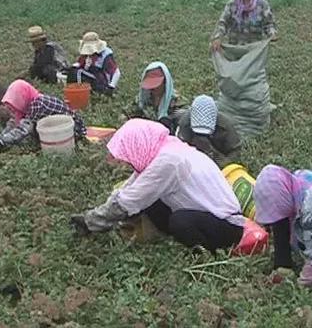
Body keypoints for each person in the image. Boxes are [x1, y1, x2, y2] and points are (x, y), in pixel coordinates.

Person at [69, 119, 246, 253]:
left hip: (227, 225)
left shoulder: (168, 161)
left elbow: (128, 201)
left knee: (180, 221)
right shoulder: (163, 149)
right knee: (149, 200)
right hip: (202, 212)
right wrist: (99, 213)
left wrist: (89, 222)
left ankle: (202, 252)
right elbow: (130, 189)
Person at [0, 79, 85, 150]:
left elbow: (23, 129)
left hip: (72, 130)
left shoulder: (38, 104)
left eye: (12, 107)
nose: (13, 111)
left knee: (25, 138)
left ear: (21, 98)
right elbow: (14, 122)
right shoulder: (28, 103)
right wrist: (2, 135)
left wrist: (4, 140)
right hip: (56, 129)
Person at [210, 0, 278, 50]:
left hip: (255, 50)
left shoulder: (262, 4)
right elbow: (223, 23)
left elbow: (269, 24)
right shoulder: (232, 4)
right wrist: (217, 37)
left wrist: (272, 34)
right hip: (235, 49)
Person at [176, 95, 241, 168]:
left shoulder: (225, 126)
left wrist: (215, 155)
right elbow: (180, 149)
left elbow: (235, 151)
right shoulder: (185, 123)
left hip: (218, 156)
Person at [128, 61, 186, 135]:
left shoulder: (178, 102)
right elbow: (127, 115)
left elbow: (184, 126)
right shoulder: (143, 100)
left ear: (165, 82)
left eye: (157, 85)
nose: (152, 88)